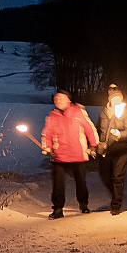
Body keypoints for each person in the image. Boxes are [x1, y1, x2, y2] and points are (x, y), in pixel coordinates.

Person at [40, 89, 98, 217]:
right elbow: (47, 133)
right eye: (56, 99)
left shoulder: (78, 112)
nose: (58, 101)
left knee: (81, 181)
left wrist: (94, 145)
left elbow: (90, 128)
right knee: (58, 184)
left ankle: (83, 205)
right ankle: (58, 209)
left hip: (77, 154)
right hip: (59, 155)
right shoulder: (52, 116)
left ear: (68, 100)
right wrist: (47, 147)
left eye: (61, 98)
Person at [96, 83, 127, 214]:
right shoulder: (103, 113)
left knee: (117, 177)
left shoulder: (125, 112)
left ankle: (116, 205)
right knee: (105, 176)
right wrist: (96, 145)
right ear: (110, 100)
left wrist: (120, 134)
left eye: (119, 99)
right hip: (107, 150)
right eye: (115, 99)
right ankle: (115, 194)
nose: (117, 101)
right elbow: (99, 130)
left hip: (121, 148)